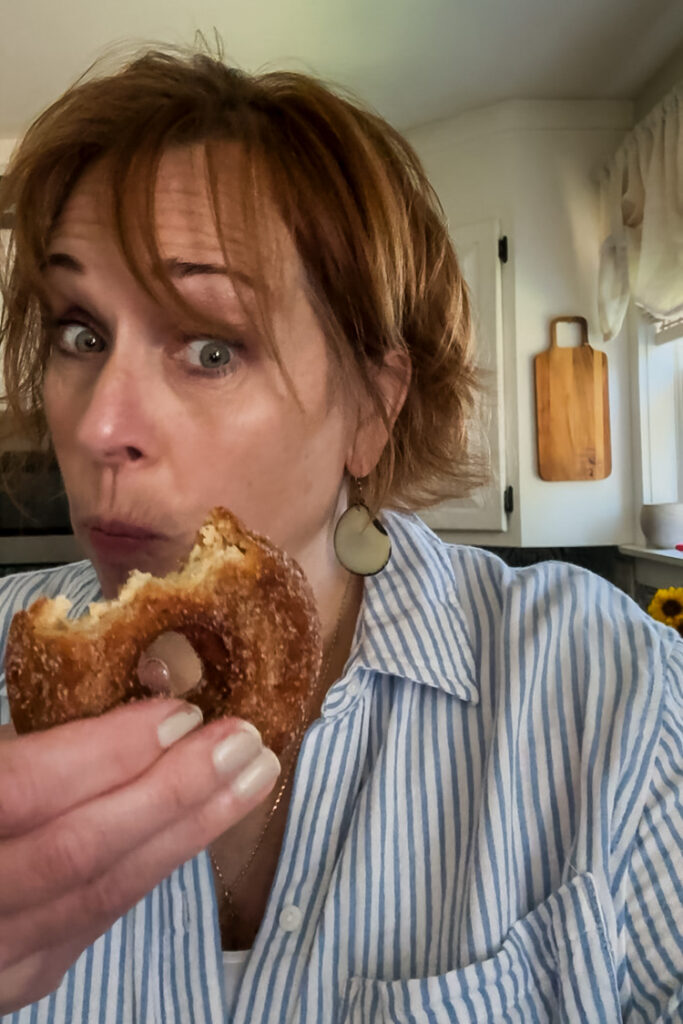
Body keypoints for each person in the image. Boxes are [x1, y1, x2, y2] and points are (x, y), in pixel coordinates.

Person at [0, 41, 681, 1024]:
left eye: (210, 347)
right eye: (80, 332)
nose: (101, 427)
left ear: (372, 408)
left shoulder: (608, 694)